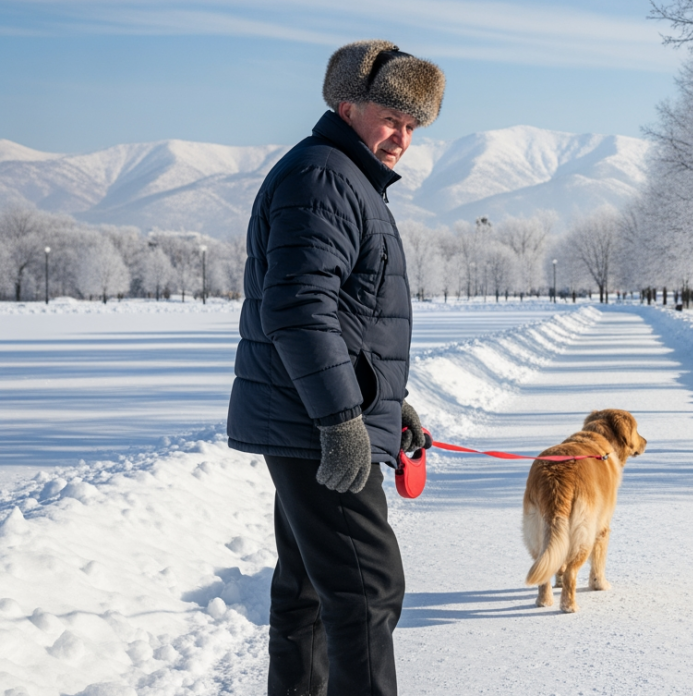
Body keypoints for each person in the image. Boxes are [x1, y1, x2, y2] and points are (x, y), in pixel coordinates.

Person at [226, 40, 444, 696]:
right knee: (367, 590)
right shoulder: (325, 177)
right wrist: (342, 419)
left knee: (310, 590)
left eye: (412, 126)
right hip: (315, 425)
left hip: (311, 417)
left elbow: (349, 319)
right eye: (391, 119)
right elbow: (298, 309)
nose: (401, 137)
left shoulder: (343, 177)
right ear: (347, 107)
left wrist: (387, 404)